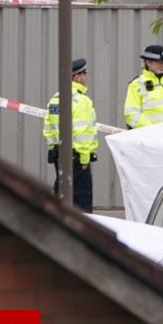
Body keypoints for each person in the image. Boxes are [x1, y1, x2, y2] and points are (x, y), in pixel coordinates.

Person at [43, 58, 99, 212]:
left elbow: (49, 128)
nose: (85, 78)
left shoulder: (55, 99)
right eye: (84, 74)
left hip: (59, 155)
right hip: (77, 157)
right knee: (82, 202)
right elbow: (82, 132)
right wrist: (85, 158)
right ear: (77, 77)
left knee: (61, 197)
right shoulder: (81, 101)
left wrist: (52, 148)